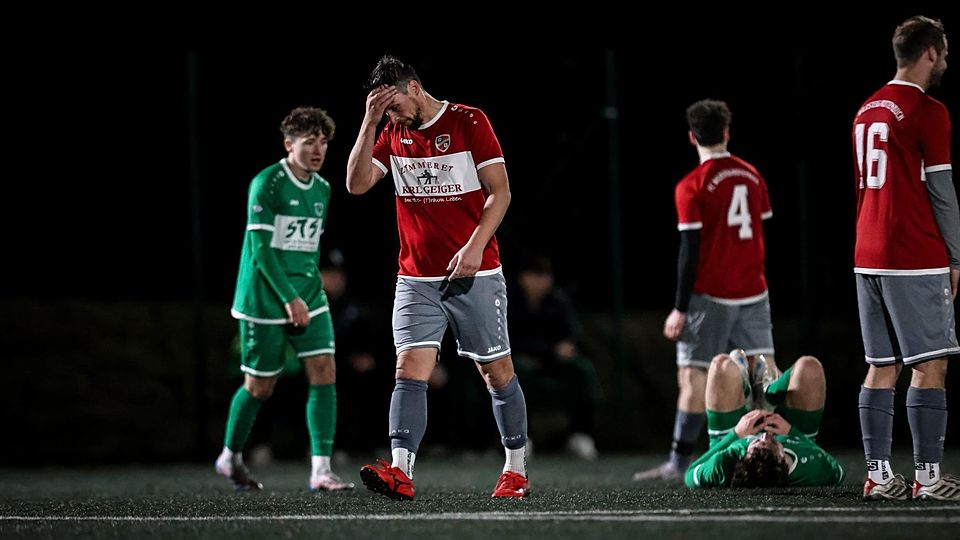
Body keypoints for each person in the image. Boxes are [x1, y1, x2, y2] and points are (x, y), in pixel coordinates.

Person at [346, 55, 529, 500]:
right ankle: (401, 470)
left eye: (393, 107)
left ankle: (516, 469)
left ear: (413, 87)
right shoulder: (392, 132)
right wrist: (370, 123)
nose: (392, 117)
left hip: (475, 274)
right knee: (408, 369)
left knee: (496, 372)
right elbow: (356, 183)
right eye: (385, 112)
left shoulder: (468, 121)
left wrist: (475, 246)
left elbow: (501, 191)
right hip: (415, 278)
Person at [635, 99, 776, 481]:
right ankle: (772, 454)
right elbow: (760, 230)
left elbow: (690, 250)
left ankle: (678, 463)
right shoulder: (752, 174)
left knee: (694, 378)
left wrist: (680, 307)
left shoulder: (692, 185)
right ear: (727, 132)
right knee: (766, 374)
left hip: (710, 295)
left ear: (691, 137)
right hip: (754, 291)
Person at [214, 107, 354, 492]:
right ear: (288, 144)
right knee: (260, 386)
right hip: (264, 299)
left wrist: (306, 292)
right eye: (309, 142)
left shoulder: (322, 189)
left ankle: (321, 470)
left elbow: (307, 248)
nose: (318, 150)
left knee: (324, 370)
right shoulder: (267, 183)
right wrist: (289, 298)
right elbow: (262, 250)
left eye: (323, 142)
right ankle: (229, 456)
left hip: (308, 294)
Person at [852, 15, 960, 501]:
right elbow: (942, 192)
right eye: (944, 53)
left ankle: (878, 476)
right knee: (930, 364)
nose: (945, 61)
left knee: (881, 365)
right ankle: (928, 479)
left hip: (867, 252)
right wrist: (954, 258)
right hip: (912, 253)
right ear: (930, 53)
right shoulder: (927, 110)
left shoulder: (866, 109)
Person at [685, 351, 844, 488]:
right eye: (772, 444)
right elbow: (839, 473)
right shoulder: (809, 469)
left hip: (735, 435)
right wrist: (793, 432)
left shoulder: (725, 467)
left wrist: (736, 434)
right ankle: (768, 392)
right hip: (792, 433)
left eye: (757, 444)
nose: (765, 435)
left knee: (721, 365)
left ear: (743, 458)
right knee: (809, 367)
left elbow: (690, 474)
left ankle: (745, 386)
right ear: (784, 461)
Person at [511, 255, 601, 460]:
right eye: (536, 276)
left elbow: (573, 334)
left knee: (582, 369)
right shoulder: (509, 301)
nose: (542, 282)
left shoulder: (558, 300)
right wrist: (548, 350)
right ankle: (522, 437)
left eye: (545, 276)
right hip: (522, 361)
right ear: (523, 278)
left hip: (555, 362)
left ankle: (581, 435)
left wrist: (567, 346)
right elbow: (509, 339)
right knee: (515, 374)